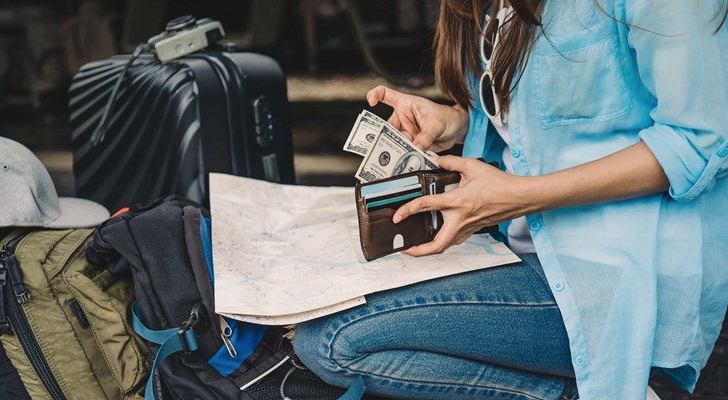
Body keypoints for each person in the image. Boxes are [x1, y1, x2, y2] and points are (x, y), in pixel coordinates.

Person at [292, 0, 728, 399]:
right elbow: (530, 121)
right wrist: (456, 122)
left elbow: (700, 141)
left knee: (334, 340)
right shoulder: (487, 8)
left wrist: (520, 197)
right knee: (310, 319)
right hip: (521, 245)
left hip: (616, 275)